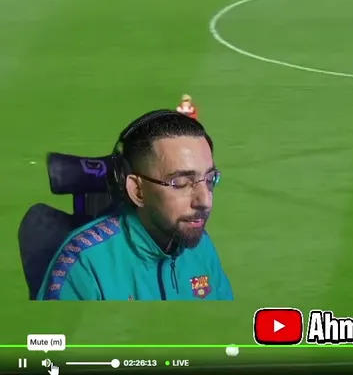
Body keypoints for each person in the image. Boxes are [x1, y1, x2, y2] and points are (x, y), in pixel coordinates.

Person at [39, 110, 232, 300]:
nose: (205, 201)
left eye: (209, 179)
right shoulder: (83, 267)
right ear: (137, 190)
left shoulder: (201, 245)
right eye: (180, 182)